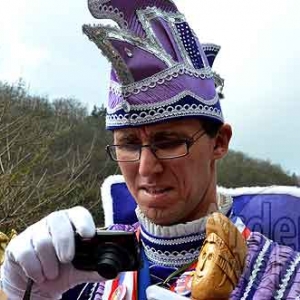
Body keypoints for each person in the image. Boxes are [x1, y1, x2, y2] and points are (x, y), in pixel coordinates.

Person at [1, 0, 300, 299]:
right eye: (129, 144)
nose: (146, 168)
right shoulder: (77, 270)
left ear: (219, 142)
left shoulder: (283, 279)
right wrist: (23, 293)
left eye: (169, 142)